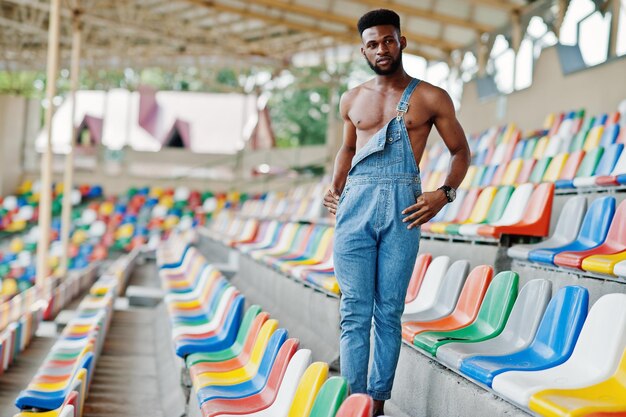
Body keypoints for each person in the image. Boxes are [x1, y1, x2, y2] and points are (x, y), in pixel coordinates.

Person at [322, 9, 470, 416]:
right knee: (353, 309)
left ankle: (378, 403)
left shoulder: (431, 97)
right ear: (363, 50)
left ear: (401, 42)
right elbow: (348, 149)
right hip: (354, 206)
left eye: (388, 40)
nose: (381, 49)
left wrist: (445, 193)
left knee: (388, 310)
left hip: (402, 209)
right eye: (372, 44)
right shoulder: (351, 99)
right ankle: (356, 402)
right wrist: (334, 186)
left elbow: (461, 152)